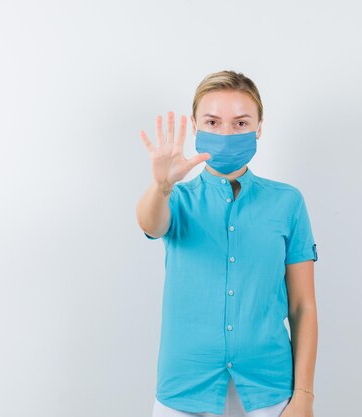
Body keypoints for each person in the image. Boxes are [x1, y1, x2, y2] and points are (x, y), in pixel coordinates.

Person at [136, 70, 318, 417]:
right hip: (185, 389)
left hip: (270, 390)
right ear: (196, 126)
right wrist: (161, 185)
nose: (226, 133)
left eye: (240, 123)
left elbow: (302, 307)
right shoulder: (176, 198)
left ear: (259, 128)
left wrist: (304, 396)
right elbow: (150, 223)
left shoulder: (288, 202)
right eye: (213, 122)